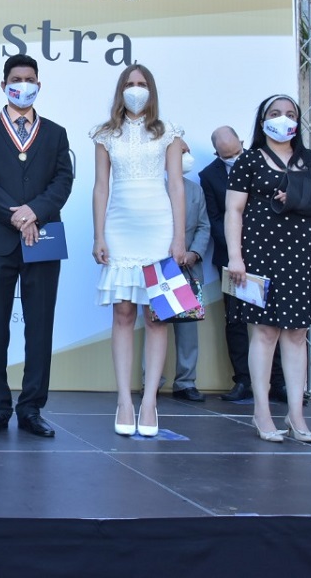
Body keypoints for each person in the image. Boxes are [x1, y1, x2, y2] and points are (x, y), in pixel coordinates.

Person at [0, 55, 74, 437]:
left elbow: (63, 181)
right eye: (16, 79)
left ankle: (31, 409)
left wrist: (34, 212)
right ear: (3, 85)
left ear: (38, 85)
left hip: (43, 238)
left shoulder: (56, 132)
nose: (23, 84)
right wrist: (15, 215)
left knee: (40, 327)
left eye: (30, 79)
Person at [225, 94, 311, 443]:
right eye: (275, 113)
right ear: (262, 119)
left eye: (289, 114)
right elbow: (234, 211)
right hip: (260, 254)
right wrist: (235, 257)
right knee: (265, 332)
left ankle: (296, 413)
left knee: (297, 334)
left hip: (304, 255)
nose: (283, 119)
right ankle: (262, 411)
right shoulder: (249, 160)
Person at [91, 63, 186, 438]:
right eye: (130, 84)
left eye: (142, 83)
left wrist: (179, 238)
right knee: (124, 312)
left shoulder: (169, 133)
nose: (136, 89)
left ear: (152, 89)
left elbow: (177, 186)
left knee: (157, 316)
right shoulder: (105, 134)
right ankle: (124, 401)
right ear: (120, 89)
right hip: (120, 228)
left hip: (159, 229)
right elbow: (101, 187)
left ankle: (149, 402)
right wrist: (99, 235)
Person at [198, 126, 284, 403]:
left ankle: (278, 382)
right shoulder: (208, 175)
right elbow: (214, 219)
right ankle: (243, 380)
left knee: (273, 318)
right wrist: (237, 250)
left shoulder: (265, 161)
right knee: (235, 319)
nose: (233, 159)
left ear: (243, 143)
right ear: (216, 153)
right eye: (226, 156)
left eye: (236, 152)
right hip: (230, 260)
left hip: (268, 254)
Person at [169, 145, 210, 403]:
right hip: (160, 267)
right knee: (156, 326)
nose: (186, 157)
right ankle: (149, 381)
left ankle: (185, 382)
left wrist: (193, 253)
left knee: (187, 329)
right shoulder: (153, 187)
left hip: (188, 268)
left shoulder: (195, 189)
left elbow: (204, 226)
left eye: (187, 152)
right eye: (180, 152)